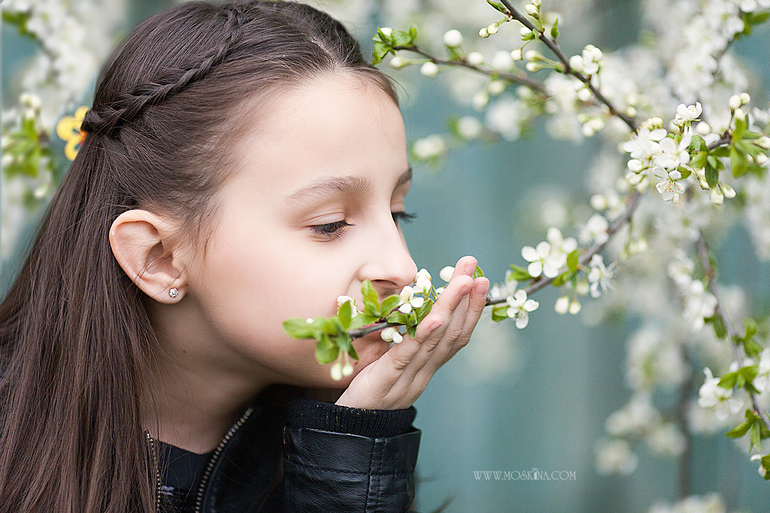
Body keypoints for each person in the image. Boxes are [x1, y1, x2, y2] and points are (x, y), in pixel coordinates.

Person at [0, 1, 489, 511]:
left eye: (397, 212)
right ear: (159, 256)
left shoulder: (332, 447)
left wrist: (347, 465)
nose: (403, 269)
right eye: (330, 225)